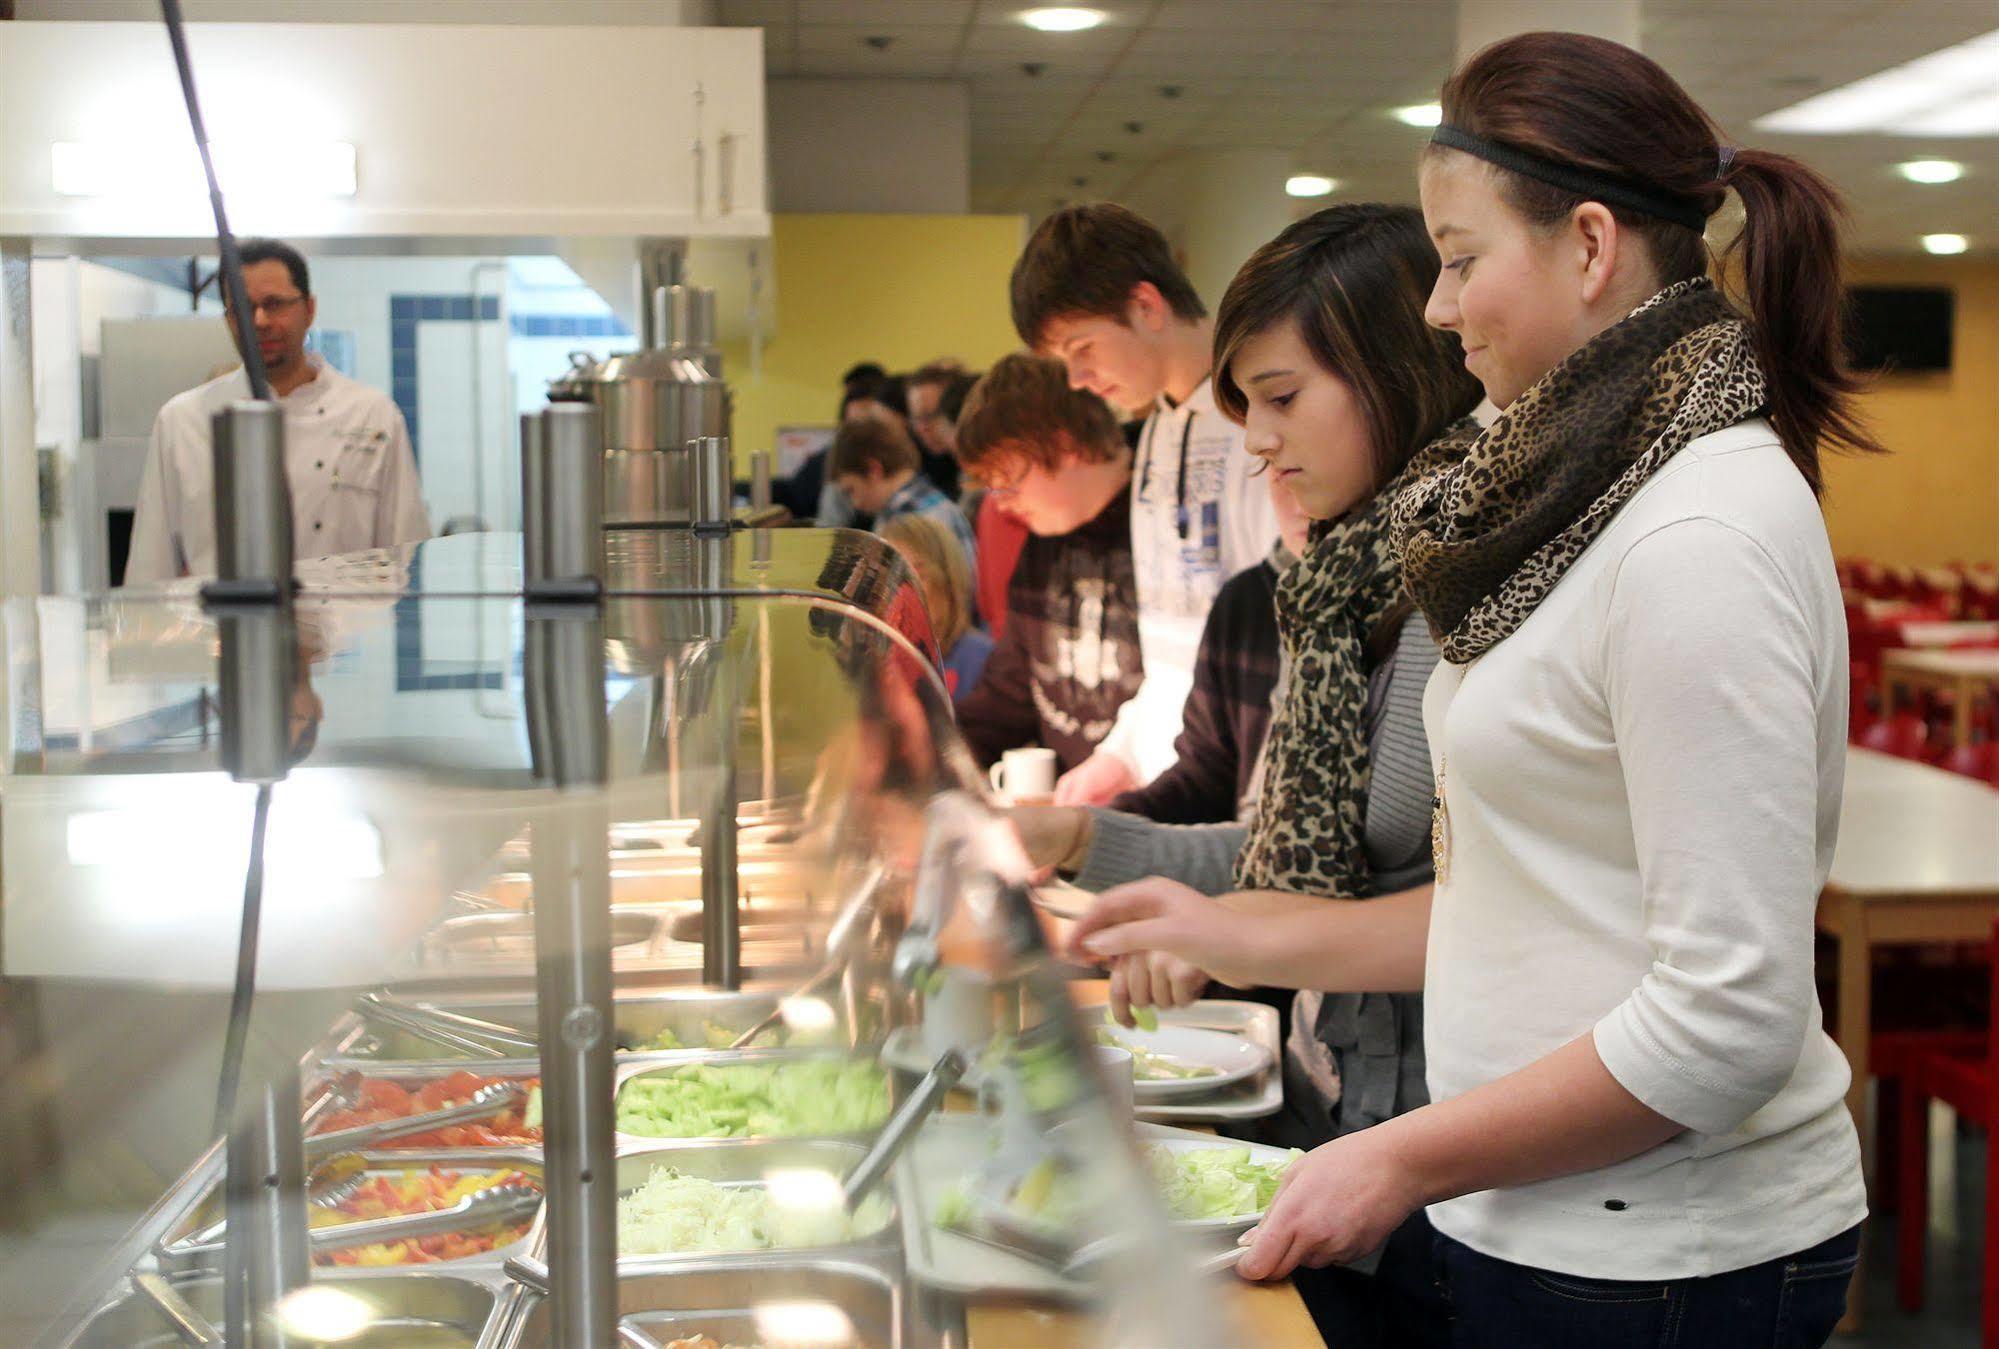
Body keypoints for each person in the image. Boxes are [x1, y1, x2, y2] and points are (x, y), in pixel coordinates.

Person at [1073, 32, 1877, 1348]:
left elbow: (1729, 1018)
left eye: (1457, 261)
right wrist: (1240, 931)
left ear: (1586, 246)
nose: (1436, 309)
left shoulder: (1692, 535)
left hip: (1656, 1250)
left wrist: (1402, 1157)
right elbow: (1523, 894)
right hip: (1534, 1212)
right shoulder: (1566, 508)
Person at [1016, 203, 1480, 1347]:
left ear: (1392, 371)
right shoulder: (1338, 593)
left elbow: (1482, 909)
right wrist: (1083, 843)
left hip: (1454, 1157)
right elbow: (1282, 850)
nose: (1260, 443)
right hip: (1348, 1116)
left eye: (1281, 399)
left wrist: (1231, 933)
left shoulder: (1461, 592)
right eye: (1247, 407)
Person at [1011, 203, 1279, 805]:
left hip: (1249, 777)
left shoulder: (1261, 414)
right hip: (1179, 777)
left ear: (1147, 307)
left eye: (1083, 348)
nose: (1077, 379)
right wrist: (1121, 755)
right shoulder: (1156, 429)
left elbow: (1283, 638)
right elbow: (1169, 651)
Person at [128, 238, 429, 583]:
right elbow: (149, 573)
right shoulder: (182, 421)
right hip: (222, 633)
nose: (259, 320)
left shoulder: (372, 415)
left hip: (348, 633)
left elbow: (407, 558)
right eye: (242, 306)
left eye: (274, 304)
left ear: (309, 309)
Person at [950, 353, 1142, 774]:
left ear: (1064, 445)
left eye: (1009, 482)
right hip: (1071, 808)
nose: (1001, 505)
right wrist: (930, 757)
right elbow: (1009, 691)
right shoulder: (1043, 544)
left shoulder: (1158, 525)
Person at [1102, 473, 1293, 826]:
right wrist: (1093, 826)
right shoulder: (1246, 600)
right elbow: (1206, 774)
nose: (1292, 492)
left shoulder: (1409, 611)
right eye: (1276, 469)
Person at [827, 416, 977, 569]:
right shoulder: (896, 514)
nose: (855, 503)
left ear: (873, 470)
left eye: (851, 490)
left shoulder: (922, 521)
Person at [880, 511, 992, 702]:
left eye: (917, 576)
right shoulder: (875, 667)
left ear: (948, 579)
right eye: (888, 577)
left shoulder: (983, 660)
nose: (900, 592)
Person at [905, 359, 974, 499]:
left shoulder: (983, 466)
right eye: (915, 418)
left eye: (930, 416)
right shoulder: (920, 466)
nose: (921, 428)